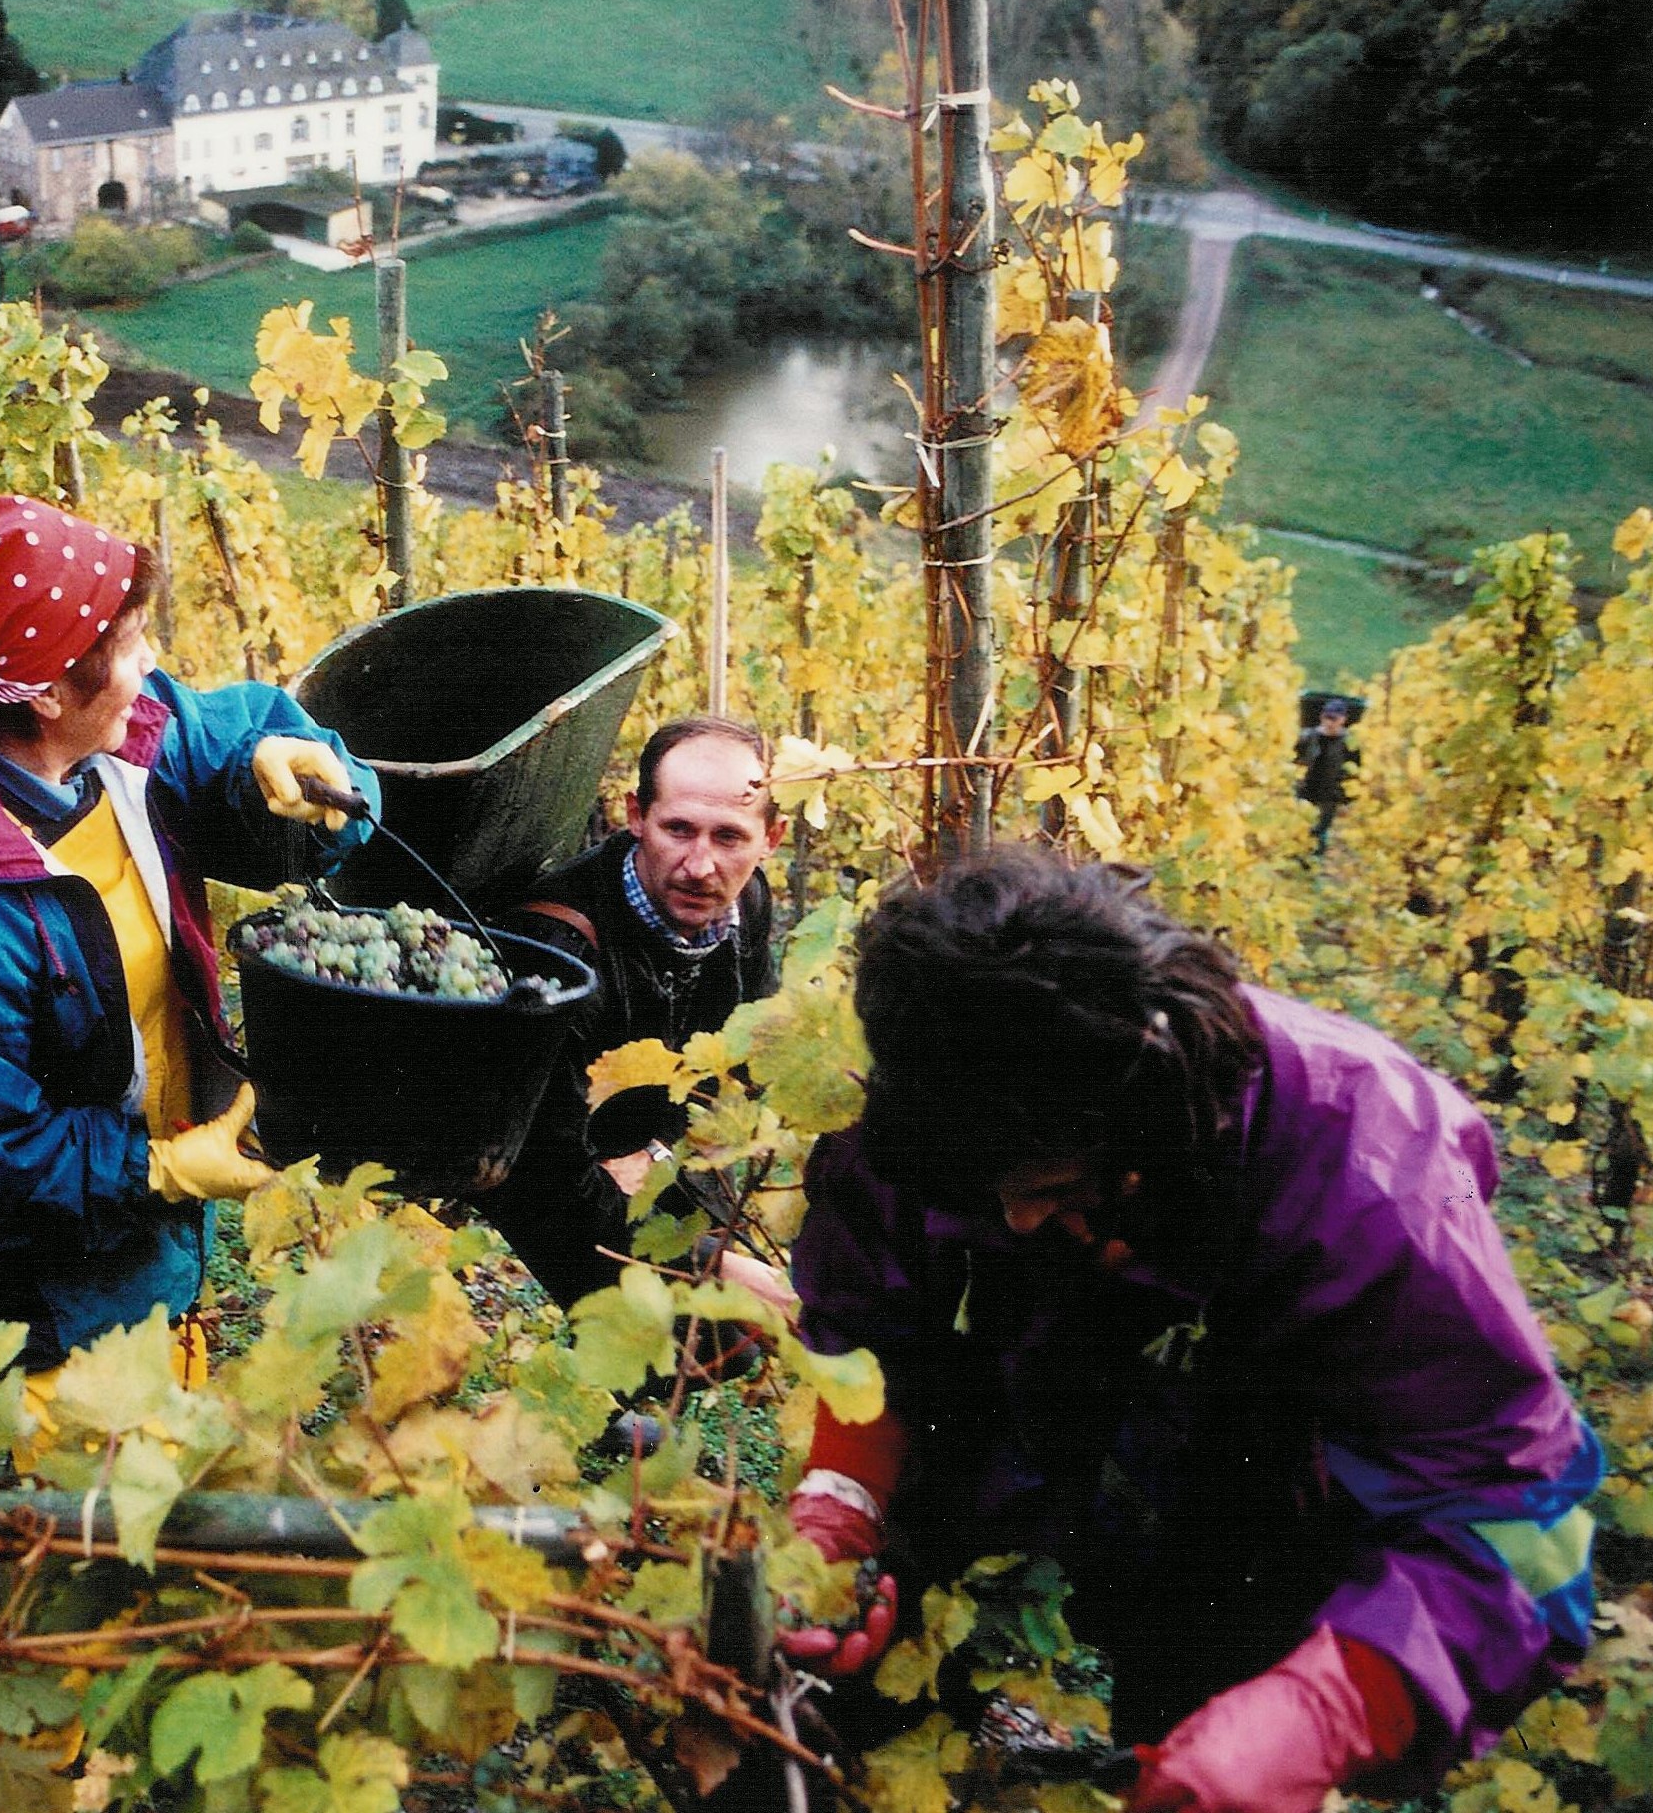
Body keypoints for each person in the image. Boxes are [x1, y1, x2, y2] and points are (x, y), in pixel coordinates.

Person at [785, 851, 1599, 1813]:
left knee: (1211, 1721)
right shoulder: (927, 1098)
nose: (1011, 1223)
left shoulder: (1370, 1169)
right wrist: (839, 1508)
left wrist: (1327, 1709)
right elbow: (867, 1334)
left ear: (1150, 1133)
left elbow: (1515, 1506)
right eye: (983, 1195)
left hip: (1248, 1469)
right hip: (1008, 1396)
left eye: (1049, 1190)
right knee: (851, 1669)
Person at [0, 495, 378, 1374]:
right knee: (109, 1493)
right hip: (43, 1282)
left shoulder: (100, 746)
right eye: (133, 645)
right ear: (51, 688)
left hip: (137, 1200)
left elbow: (203, 729)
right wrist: (162, 1173)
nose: (151, 665)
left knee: (166, 1382)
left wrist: (270, 755)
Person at [475, 715, 791, 1312]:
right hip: (551, 1169)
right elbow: (541, 1175)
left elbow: (742, 1069)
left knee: (735, 1337)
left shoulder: (747, 898)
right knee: (694, 1335)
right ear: (636, 816)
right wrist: (713, 1266)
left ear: (770, 839)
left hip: (650, 1147)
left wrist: (661, 1155)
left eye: (729, 837)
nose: (700, 866)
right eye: (678, 829)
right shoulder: (562, 947)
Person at [1295, 701, 1354, 854]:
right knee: (1300, 829)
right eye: (1326, 717)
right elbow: (1295, 760)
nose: (1329, 722)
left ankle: (1314, 867)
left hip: (1329, 795)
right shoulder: (1307, 737)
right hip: (1305, 791)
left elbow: (1353, 772)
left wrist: (1347, 800)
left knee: (1320, 832)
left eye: (1333, 719)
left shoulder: (1349, 743)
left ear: (1342, 720)